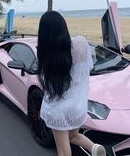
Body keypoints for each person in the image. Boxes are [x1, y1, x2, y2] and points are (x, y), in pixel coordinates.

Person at [37, 11, 106, 156]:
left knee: (63, 151)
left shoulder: (46, 56)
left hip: (58, 111)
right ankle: (94, 148)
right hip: (78, 106)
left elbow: (49, 88)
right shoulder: (80, 43)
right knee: (73, 135)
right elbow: (87, 68)